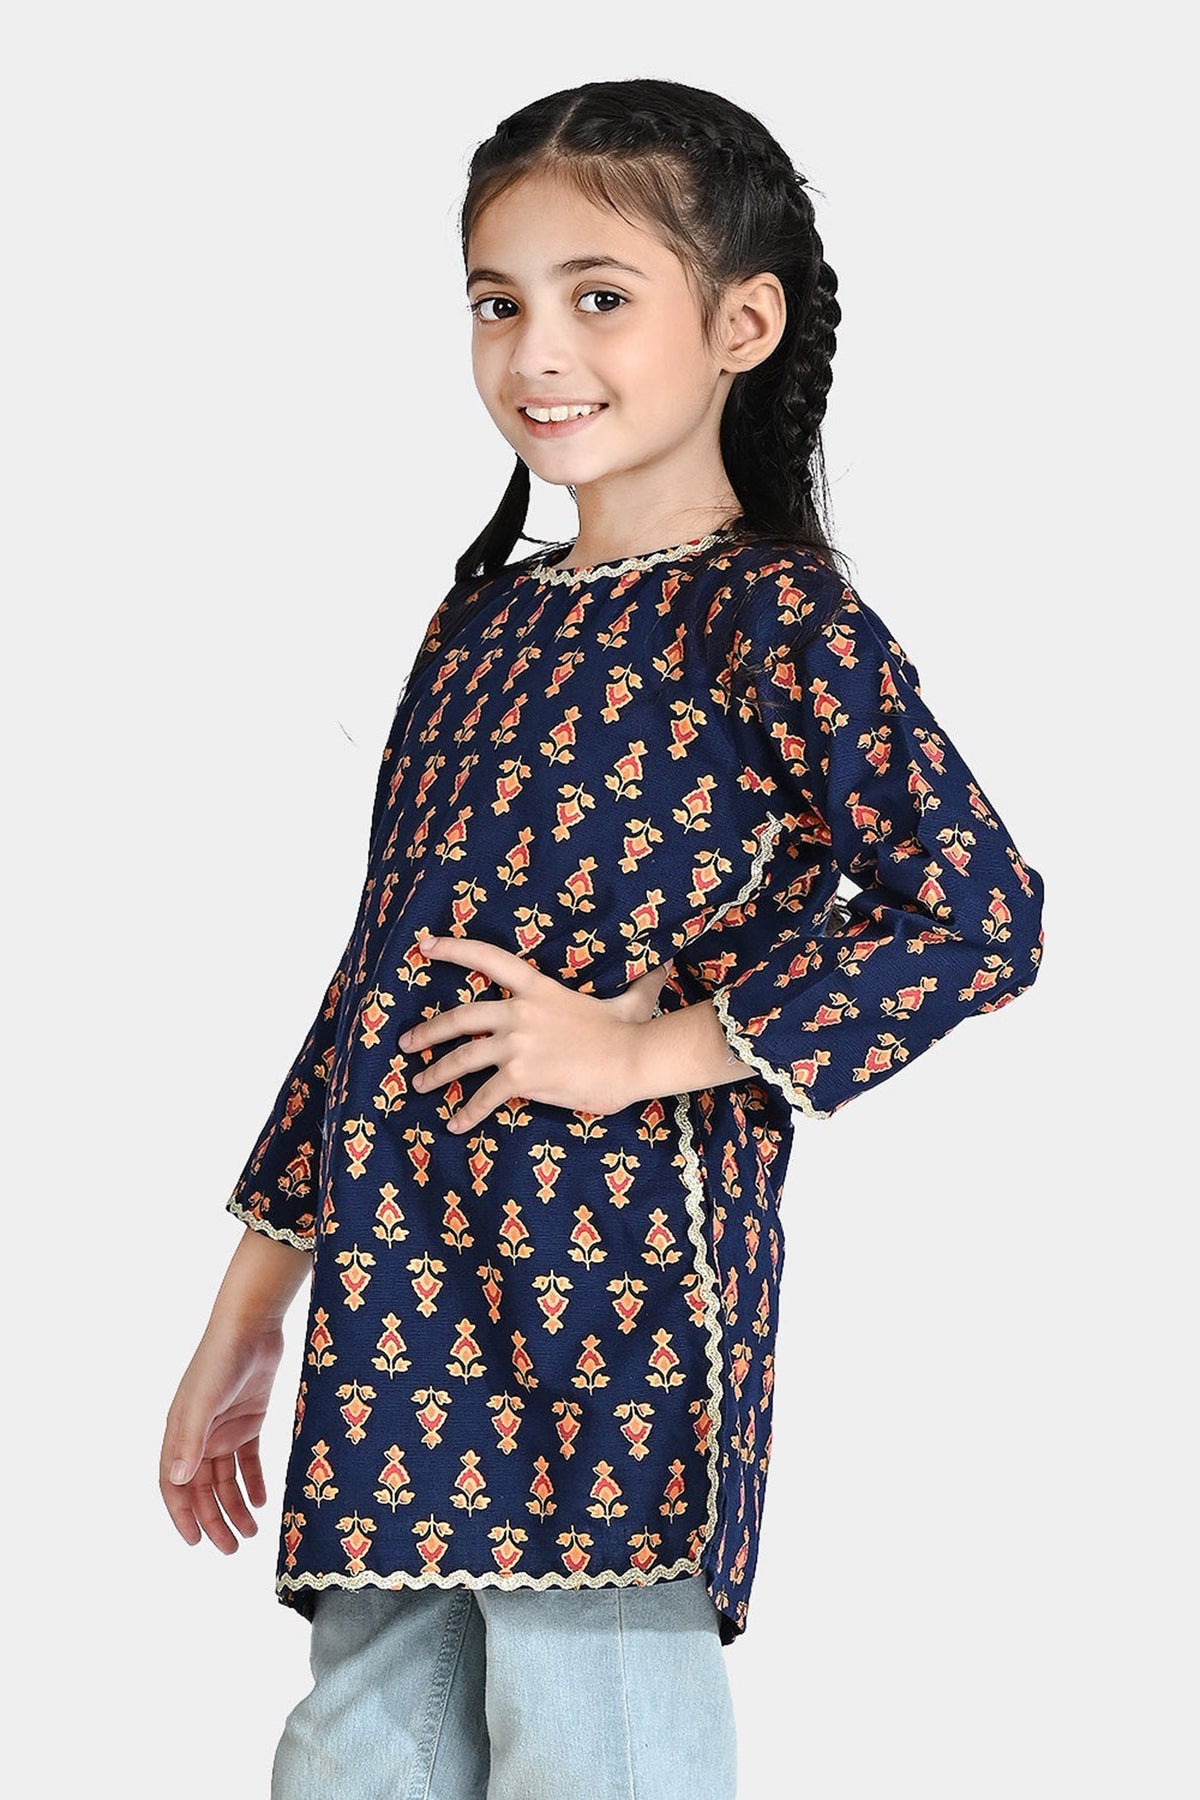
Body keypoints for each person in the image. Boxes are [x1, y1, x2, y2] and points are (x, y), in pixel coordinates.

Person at [160, 76, 1046, 1800]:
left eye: (600, 296)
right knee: (355, 1748)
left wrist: (651, 1051)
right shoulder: (478, 626)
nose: (537, 352)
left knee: (596, 1740)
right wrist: (251, 1302)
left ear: (740, 325)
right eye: (498, 303)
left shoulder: (776, 616)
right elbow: (378, 977)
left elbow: (976, 909)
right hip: (397, 1304)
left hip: (616, 1303)